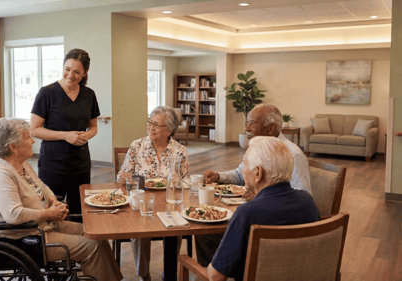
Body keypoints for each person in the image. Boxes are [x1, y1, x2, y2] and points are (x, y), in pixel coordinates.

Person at [0, 117, 122, 281]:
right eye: (28, 137)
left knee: (97, 235)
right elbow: (14, 215)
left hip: (44, 227)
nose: (32, 140)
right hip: (28, 238)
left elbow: (42, 185)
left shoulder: (21, 163)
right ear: (13, 147)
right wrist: (49, 214)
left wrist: (52, 200)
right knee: (91, 246)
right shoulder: (1, 174)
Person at [196, 104, 313, 267]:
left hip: (275, 233)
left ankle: (218, 270)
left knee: (207, 230)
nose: (246, 127)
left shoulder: (292, 154)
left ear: (271, 128)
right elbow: (240, 174)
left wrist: (261, 197)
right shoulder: (258, 147)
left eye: (251, 122)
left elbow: (300, 193)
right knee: (206, 231)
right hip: (263, 224)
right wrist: (219, 176)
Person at [207, 136, 320, 281]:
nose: (242, 171)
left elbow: (216, 276)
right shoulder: (308, 202)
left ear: (258, 173)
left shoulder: (247, 213)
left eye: (245, 164)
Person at [116, 105, 190, 281]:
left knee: (177, 226)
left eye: (157, 125)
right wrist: (124, 176)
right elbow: (121, 175)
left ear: (170, 130)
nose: (151, 128)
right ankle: (144, 275)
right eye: (150, 123)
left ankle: (169, 273)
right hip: (142, 202)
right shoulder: (137, 145)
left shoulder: (179, 151)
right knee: (139, 231)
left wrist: (176, 182)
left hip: (169, 202)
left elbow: (186, 181)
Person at [30, 48, 99, 218]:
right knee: (53, 211)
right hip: (53, 165)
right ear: (62, 67)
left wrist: (85, 136)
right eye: (67, 69)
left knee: (79, 212)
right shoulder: (47, 93)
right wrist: (65, 135)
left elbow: (93, 127)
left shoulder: (89, 95)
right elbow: (34, 129)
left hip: (80, 165)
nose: (70, 75)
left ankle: (79, 243)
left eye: (77, 72)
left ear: (85, 72)